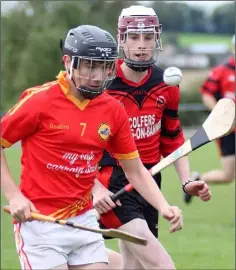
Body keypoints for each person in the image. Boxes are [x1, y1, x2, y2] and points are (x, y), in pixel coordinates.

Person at [1, 24, 184, 270]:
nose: (98, 76)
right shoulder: (39, 101)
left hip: (84, 221)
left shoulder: (112, 109)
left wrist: (164, 206)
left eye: (104, 66)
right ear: (68, 61)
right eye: (89, 65)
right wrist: (14, 196)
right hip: (40, 224)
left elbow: (136, 170)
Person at [92, 5, 211, 270]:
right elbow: (81, 145)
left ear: (157, 39)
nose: (142, 45)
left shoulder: (165, 84)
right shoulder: (104, 85)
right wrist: (95, 188)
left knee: (134, 267)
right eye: (134, 37)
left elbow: (173, 138)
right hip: (114, 182)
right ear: (121, 39)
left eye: (148, 37)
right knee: (161, 266)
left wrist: (186, 180)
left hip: (150, 179)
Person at [184, 34, 235, 204]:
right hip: (230, 131)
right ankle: (198, 179)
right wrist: (220, 114)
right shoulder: (221, 71)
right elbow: (206, 93)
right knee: (228, 175)